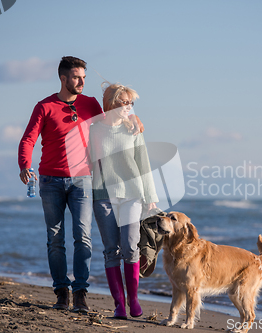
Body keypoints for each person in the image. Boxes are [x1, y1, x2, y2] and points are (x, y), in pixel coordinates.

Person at [18, 56, 143, 312]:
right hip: (50, 180)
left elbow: (113, 119)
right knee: (55, 239)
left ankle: (81, 293)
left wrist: (134, 118)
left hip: (83, 181)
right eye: (76, 77)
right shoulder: (44, 106)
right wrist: (24, 165)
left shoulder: (90, 104)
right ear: (63, 78)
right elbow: (28, 139)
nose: (81, 82)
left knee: (83, 238)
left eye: (84, 77)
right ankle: (61, 291)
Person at [90, 84, 158, 319]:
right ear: (110, 103)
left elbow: (144, 162)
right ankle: (119, 305)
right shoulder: (94, 130)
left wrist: (150, 197)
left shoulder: (133, 129)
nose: (128, 107)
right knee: (111, 251)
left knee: (130, 248)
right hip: (103, 196)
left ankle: (134, 299)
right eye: (124, 102)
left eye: (131, 103)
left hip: (132, 195)